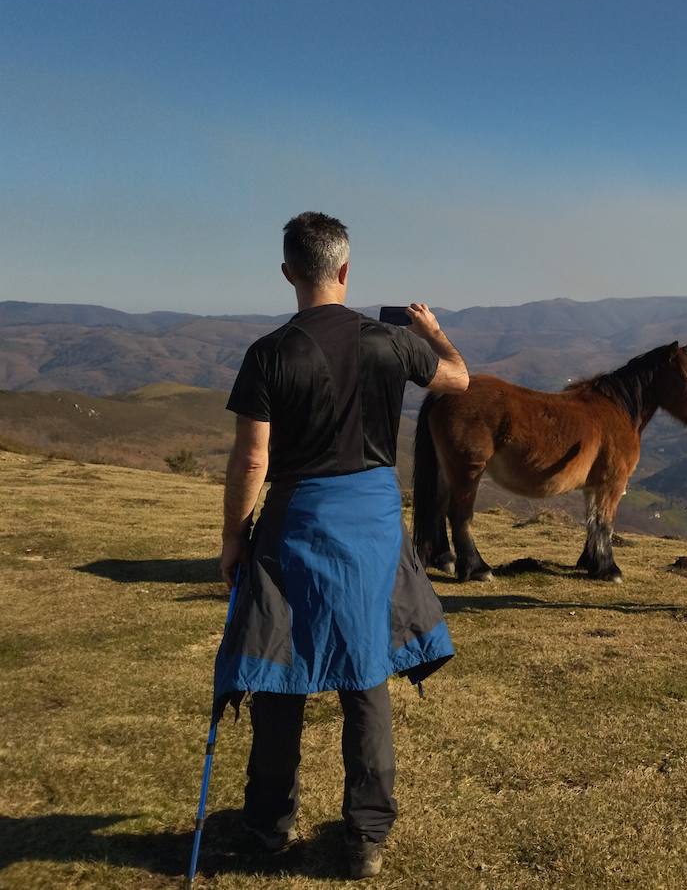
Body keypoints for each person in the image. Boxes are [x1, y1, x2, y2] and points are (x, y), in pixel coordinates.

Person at [214, 211, 469, 879]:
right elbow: (460, 378)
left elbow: (250, 460)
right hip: (376, 521)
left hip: (298, 518)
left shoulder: (269, 353)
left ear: (289, 273)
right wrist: (433, 330)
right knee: (365, 670)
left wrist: (232, 540)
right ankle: (365, 837)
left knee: (278, 666)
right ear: (346, 269)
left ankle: (268, 827)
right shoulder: (391, 342)